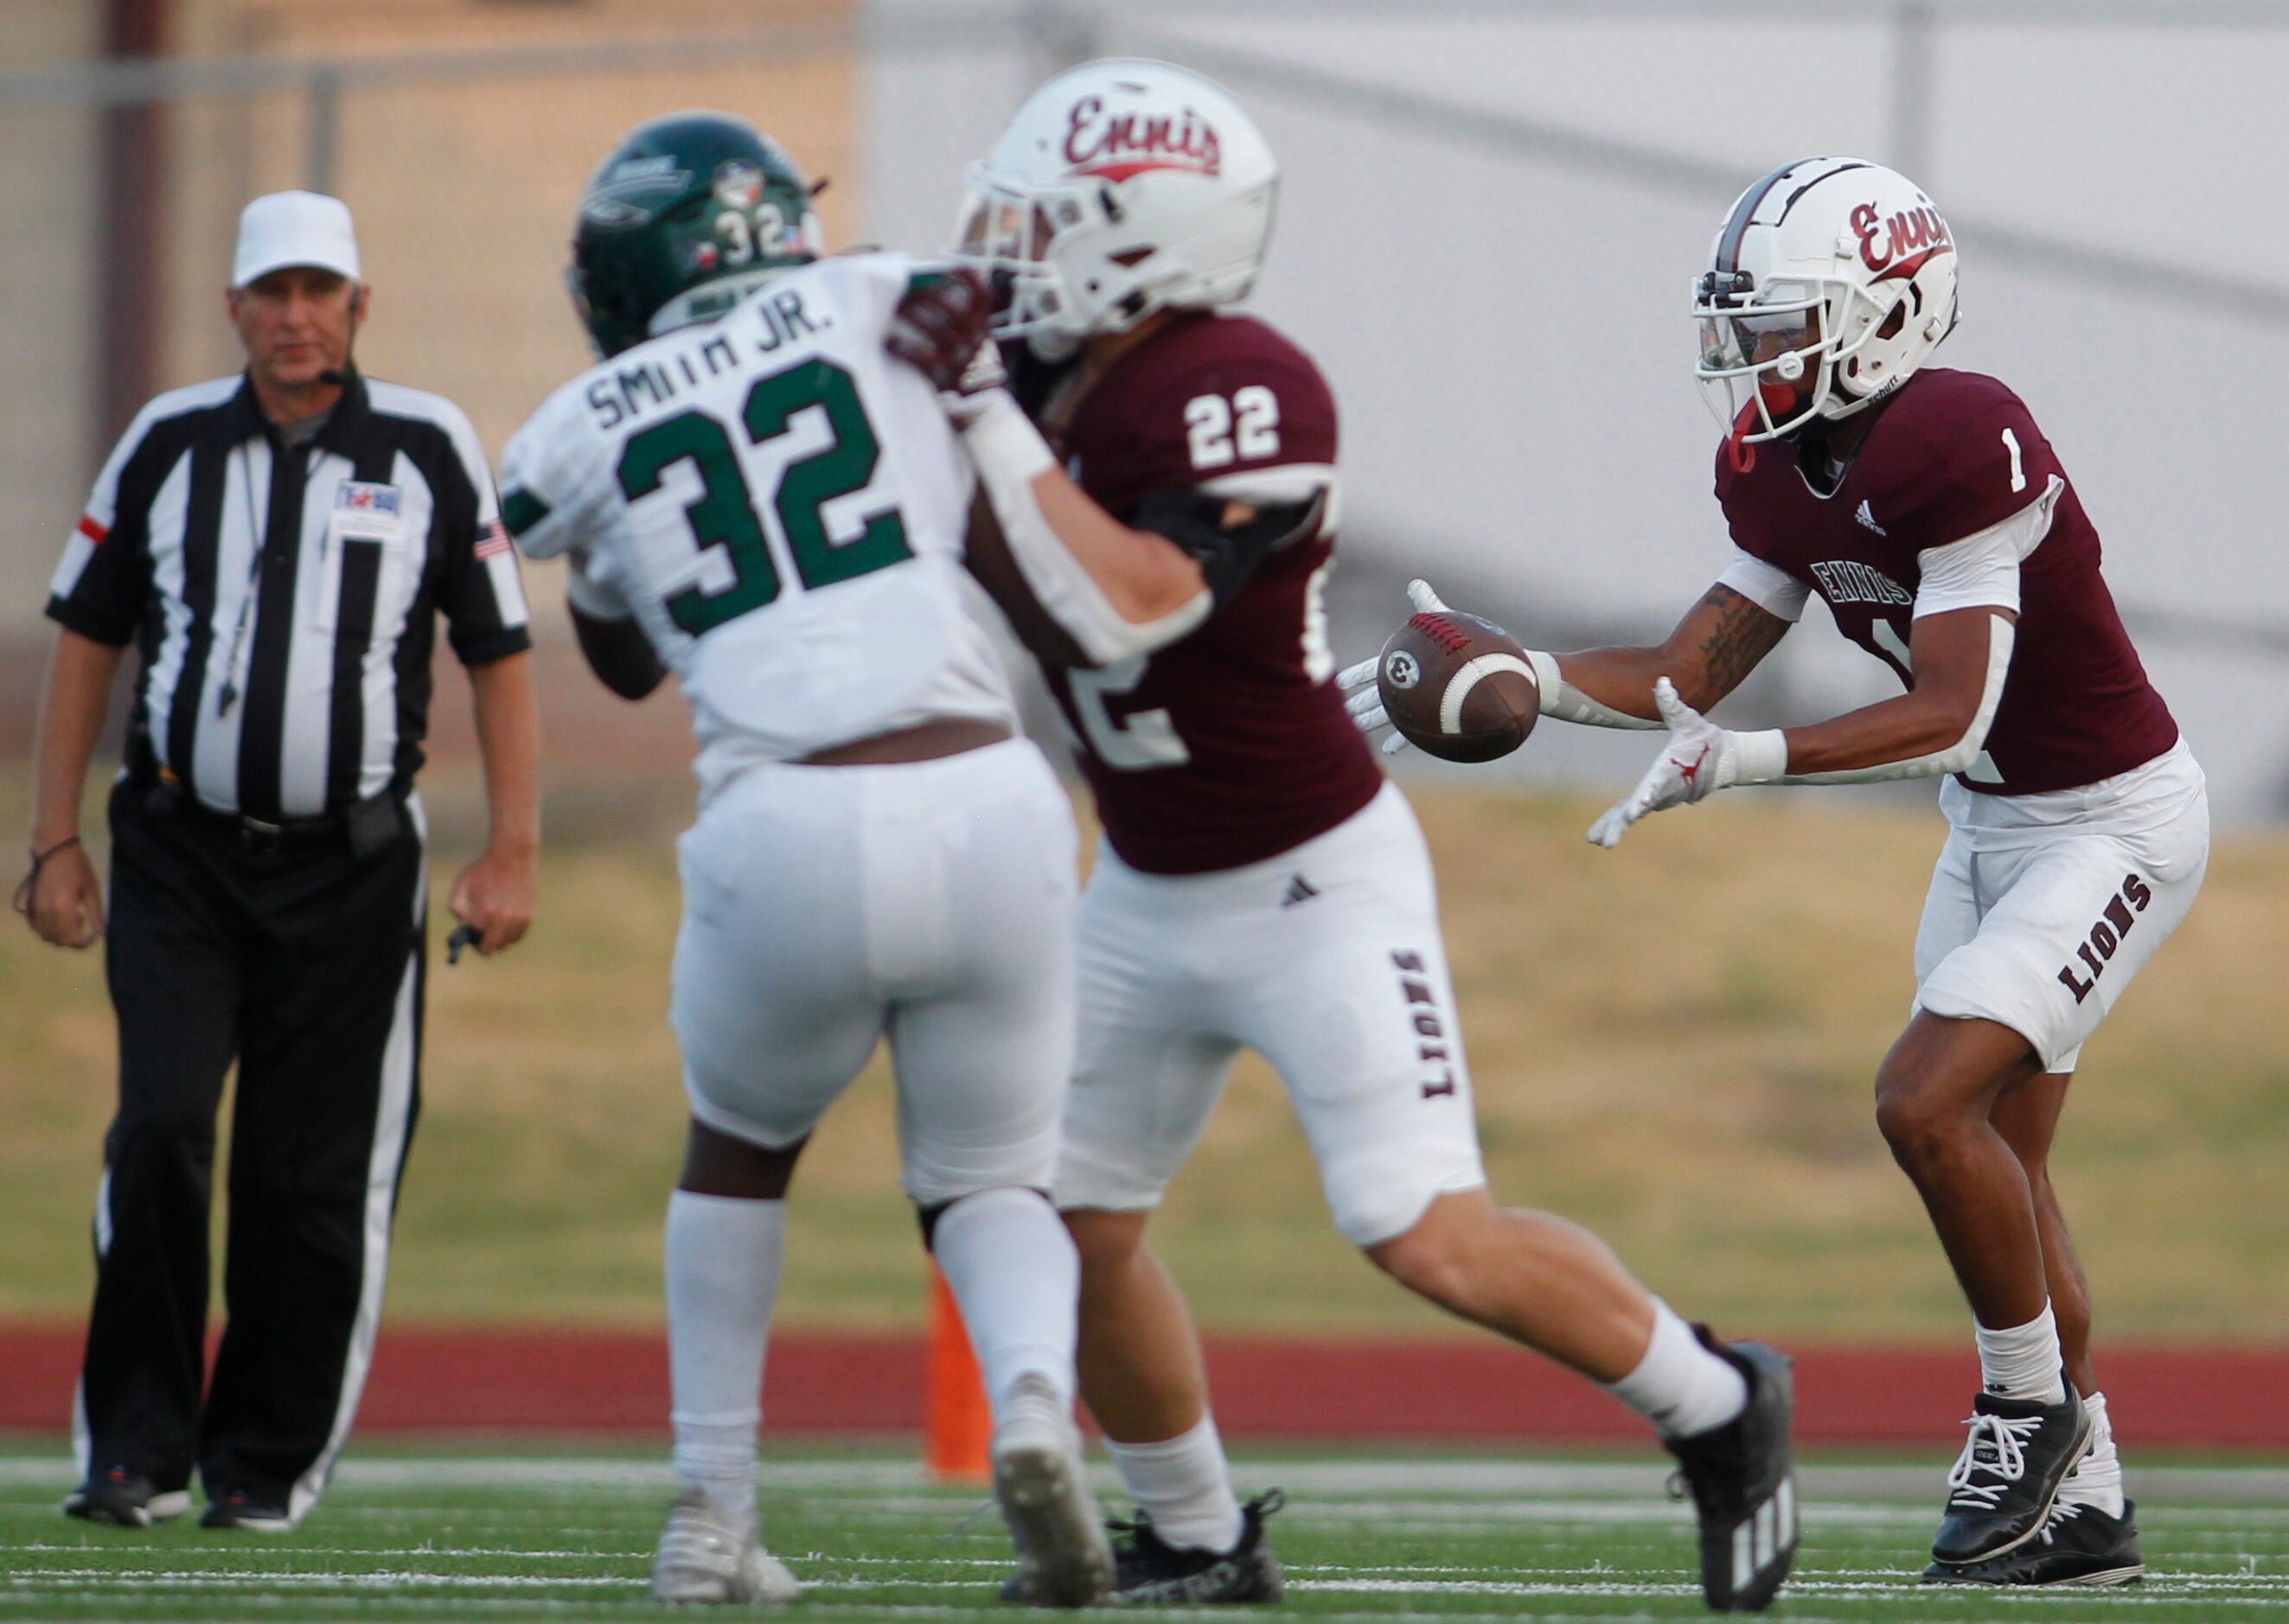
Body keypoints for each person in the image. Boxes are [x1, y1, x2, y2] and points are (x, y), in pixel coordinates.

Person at [949, 60, 1797, 1614]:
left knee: (1424, 1233)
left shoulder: (1242, 386)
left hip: (1309, 879)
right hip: (1140, 884)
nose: (1007, 253)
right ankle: (1202, 1537)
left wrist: (976, 425)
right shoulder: (1025, 370)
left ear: (1145, 241)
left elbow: (1140, 601)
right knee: (1061, 1226)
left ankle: (1722, 1403)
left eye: (1047, 220)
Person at [1348, 157, 2200, 1589]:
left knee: (1923, 1100)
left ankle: (2025, 1410)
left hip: (2108, 822)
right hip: (1991, 829)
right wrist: (1524, 670)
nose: (1754, 355)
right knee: (2009, 1164)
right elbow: (1691, 667)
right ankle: (2089, 1501)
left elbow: (1954, 708)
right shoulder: (1774, 461)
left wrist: (1741, 764)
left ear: (1882, 313)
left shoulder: (1962, 432)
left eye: (1786, 320)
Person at [496, 112, 1245, 1608]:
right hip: (985, 793)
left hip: (784, 822)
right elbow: (994, 312)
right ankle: (1035, 1399)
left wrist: (605, 543)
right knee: (993, 1179)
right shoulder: (882, 294)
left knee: (740, 1151)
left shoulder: (578, 424)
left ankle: (713, 1511)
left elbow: (603, 641)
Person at [23, 189, 540, 1532]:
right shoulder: (166, 443)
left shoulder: (428, 445)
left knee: (309, 1179)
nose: (297, 315)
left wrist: (514, 853)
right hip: (181, 849)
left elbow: (498, 649)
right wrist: (53, 841)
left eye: (322, 291)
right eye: (274, 291)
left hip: (356, 866)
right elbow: (89, 632)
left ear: (361, 306)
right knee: (162, 1131)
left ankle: (263, 1457)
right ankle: (133, 1446)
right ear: (236, 306)